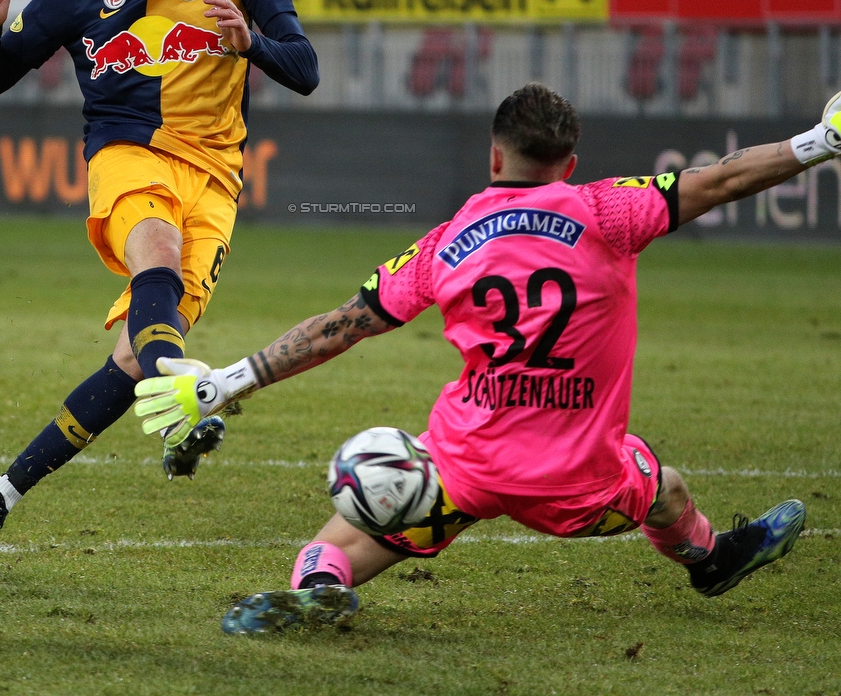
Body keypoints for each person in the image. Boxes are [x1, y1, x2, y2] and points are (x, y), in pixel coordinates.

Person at [134, 82, 841, 632]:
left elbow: (341, 327)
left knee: (351, 531)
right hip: (576, 483)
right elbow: (721, 178)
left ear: (494, 157)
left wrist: (231, 380)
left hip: (466, 463)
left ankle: (318, 587)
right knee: (665, 488)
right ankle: (710, 558)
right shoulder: (608, 211)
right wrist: (818, 141)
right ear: (569, 164)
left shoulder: (446, 243)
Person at [0, 0, 319, 559]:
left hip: (215, 178)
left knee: (131, 360)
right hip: (127, 156)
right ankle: (185, 408)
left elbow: (304, 69)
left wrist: (252, 46)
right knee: (160, 263)